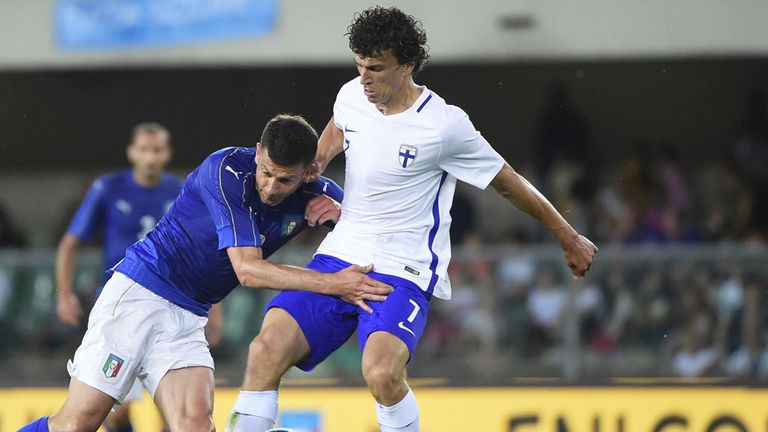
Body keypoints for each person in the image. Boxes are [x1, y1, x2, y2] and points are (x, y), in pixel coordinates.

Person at [226, 7, 597, 432]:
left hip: (403, 268)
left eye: (376, 68)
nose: (364, 78)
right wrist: (320, 160)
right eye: (359, 66)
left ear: (408, 65)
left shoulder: (445, 127)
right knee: (264, 348)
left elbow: (509, 183)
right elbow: (339, 126)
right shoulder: (353, 95)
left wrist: (568, 237)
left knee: (382, 374)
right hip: (341, 254)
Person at [19, 114, 391, 432]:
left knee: (195, 424)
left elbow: (378, 236)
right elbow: (247, 271)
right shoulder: (227, 169)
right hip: (139, 295)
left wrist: (342, 219)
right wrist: (334, 284)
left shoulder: (321, 192)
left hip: (189, 315)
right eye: (266, 173)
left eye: (285, 180)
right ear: (258, 153)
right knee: (77, 424)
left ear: (309, 171)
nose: (271, 187)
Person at [55, 122, 182, 432]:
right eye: (144, 149)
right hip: (119, 305)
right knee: (116, 409)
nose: (150, 157)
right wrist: (64, 294)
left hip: (170, 304)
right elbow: (69, 244)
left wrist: (214, 311)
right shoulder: (108, 188)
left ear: (167, 154)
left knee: (177, 409)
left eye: (157, 150)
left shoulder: (179, 191)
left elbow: (201, 253)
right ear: (132, 152)